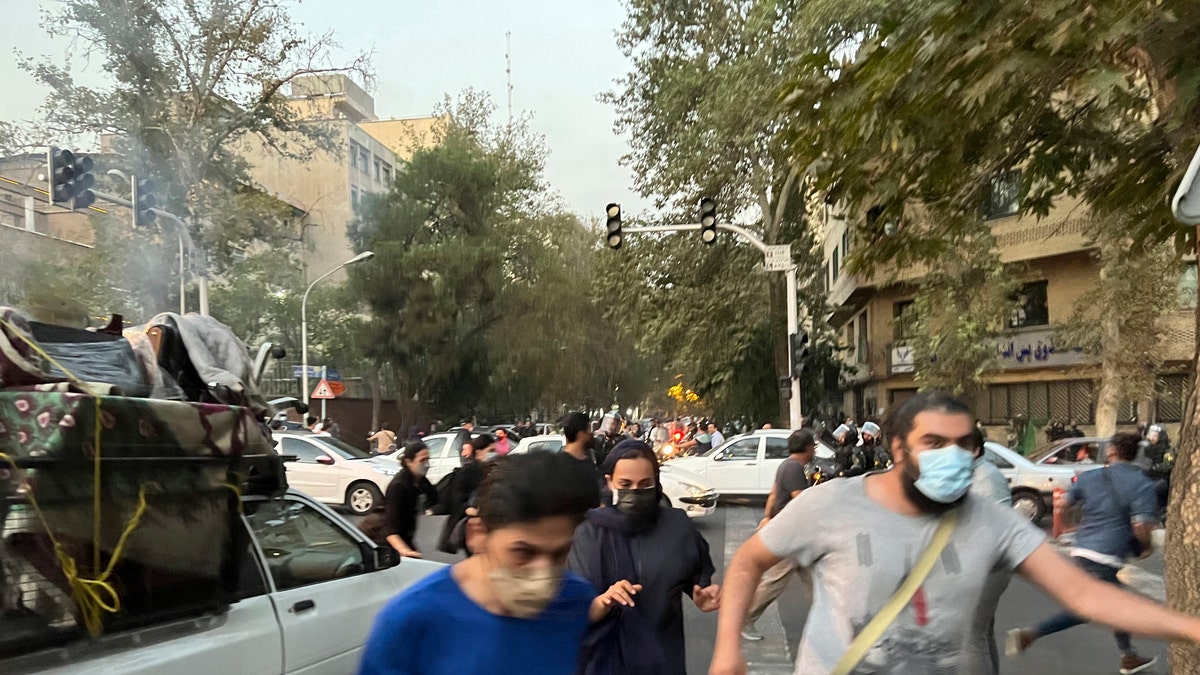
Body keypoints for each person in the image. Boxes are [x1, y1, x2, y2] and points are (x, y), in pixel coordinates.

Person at [709, 391, 1200, 675]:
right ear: (898, 448)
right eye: (935, 442)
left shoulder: (991, 521)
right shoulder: (832, 503)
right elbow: (750, 560)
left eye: (964, 443)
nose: (954, 455)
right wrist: (727, 647)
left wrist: (1189, 627)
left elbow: (1087, 596)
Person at [359, 452, 601, 675]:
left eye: (559, 554)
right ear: (478, 534)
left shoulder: (576, 601)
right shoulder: (411, 620)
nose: (543, 570)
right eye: (523, 552)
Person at [1006, 432, 1161, 674]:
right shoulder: (1142, 484)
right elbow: (1141, 526)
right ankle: (1030, 634)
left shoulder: (1090, 477)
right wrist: (1146, 546)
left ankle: (1128, 657)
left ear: (1110, 452)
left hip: (1082, 550)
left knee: (1109, 606)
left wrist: (1068, 527)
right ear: (1135, 455)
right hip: (1106, 556)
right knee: (1092, 609)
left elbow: (1063, 504)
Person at [569, 440, 720, 675]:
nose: (636, 492)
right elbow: (573, 611)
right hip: (604, 661)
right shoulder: (588, 533)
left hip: (663, 657)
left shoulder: (678, 527)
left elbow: (694, 577)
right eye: (626, 484)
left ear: (656, 483)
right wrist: (604, 601)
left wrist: (700, 594)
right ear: (610, 482)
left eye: (645, 484)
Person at [741, 430, 816, 641]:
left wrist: (767, 517)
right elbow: (801, 502)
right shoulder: (793, 468)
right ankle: (745, 619)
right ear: (808, 448)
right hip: (790, 534)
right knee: (774, 580)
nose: (814, 451)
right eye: (813, 447)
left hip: (792, 533)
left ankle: (828, 621)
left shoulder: (786, 465)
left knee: (816, 578)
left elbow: (774, 493)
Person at [968, 427, 1012, 674]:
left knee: (970, 635)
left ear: (975, 449)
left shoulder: (986, 476)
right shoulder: (973, 473)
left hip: (989, 564)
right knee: (982, 633)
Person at [436, 433, 495, 556]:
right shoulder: (469, 470)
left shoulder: (487, 468)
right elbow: (457, 495)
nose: (493, 454)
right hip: (470, 523)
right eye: (490, 450)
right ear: (479, 451)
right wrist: (468, 509)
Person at [380, 441, 438, 558]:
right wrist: (403, 550)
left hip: (405, 536)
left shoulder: (420, 481)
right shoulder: (398, 487)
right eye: (422, 460)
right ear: (408, 462)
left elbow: (436, 497)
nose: (427, 464)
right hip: (384, 541)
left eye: (428, 459)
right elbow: (389, 527)